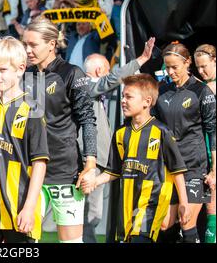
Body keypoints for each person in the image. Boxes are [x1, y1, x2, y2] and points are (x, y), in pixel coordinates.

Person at [85, 74, 191, 243]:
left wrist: (183, 203)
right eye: (122, 96)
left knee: (139, 239)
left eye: (129, 97)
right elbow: (114, 170)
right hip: (127, 203)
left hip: (152, 202)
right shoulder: (120, 133)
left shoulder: (161, 132)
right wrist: (95, 181)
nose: (123, 101)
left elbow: (177, 170)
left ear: (147, 102)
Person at [22, 16, 97, 242]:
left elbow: (88, 120)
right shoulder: (24, 75)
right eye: (25, 44)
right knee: (24, 238)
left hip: (64, 170)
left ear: (51, 44)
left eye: (33, 44)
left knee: (70, 240)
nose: (27, 50)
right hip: (30, 169)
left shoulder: (73, 73)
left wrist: (90, 163)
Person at [0, 37, 49, 243]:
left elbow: (39, 163)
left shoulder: (32, 110)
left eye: (3, 70)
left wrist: (30, 207)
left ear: (20, 68)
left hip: (20, 207)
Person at [80, 38, 155, 243]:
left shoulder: (90, 92)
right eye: (107, 70)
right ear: (98, 71)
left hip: (101, 161)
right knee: (89, 215)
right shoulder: (85, 85)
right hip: (89, 162)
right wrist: (141, 59)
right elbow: (111, 79)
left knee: (92, 214)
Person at [155, 43, 216, 243]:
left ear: (187, 62)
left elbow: (213, 131)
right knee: (164, 224)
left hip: (193, 167)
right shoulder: (162, 91)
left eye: (175, 67)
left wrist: (214, 169)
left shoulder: (202, 91)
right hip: (168, 167)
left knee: (187, 221)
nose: (170, 71)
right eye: (167, 67)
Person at [194, 44, 216, 243]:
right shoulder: (201, 88)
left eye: (204, 66)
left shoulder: (209, 89)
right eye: (198, 67)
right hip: (206, 154)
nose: (201, 71)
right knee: (210, 206)